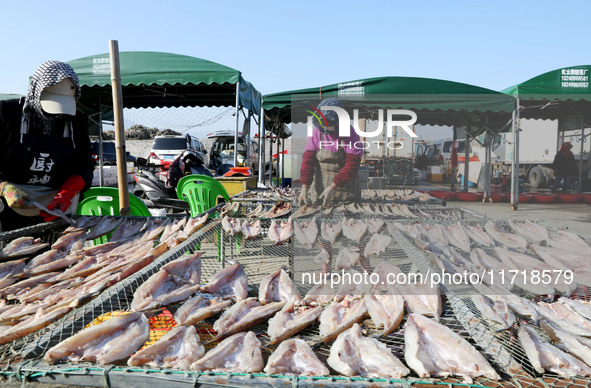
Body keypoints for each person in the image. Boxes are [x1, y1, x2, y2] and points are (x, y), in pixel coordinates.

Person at [0, 61, 94, 231]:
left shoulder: (77, 121)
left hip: (58, 205)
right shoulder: (7, 112)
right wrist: (3, 186)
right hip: (13, 204)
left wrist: (66, 194)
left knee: (56, 252)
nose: (56, 113)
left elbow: (84, 166)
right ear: (35, 90)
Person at [298, 98, 363, 207]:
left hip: (347, 194)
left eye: (330, 125)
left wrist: (332, 187)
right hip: (320, 193)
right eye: (323, 125)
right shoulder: (316, 133)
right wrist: (304, 187)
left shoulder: (350, 134)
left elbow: (352, 165)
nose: (327, 130)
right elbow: (307, 162)